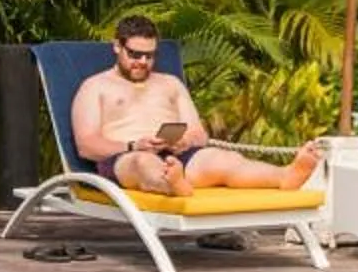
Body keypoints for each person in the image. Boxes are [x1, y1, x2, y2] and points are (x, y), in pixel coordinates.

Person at [71, 14, 322, 198]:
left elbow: (199, 133)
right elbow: (87, 145)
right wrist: (133, 145)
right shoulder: (94, 87)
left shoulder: (170, 84)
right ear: (117, 47)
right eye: (135, 54)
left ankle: (285, 176)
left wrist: (183, 142)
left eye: (150, 55)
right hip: (125, 158)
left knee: (223, 159)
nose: (143, 62)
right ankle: (171, 184)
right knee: (144, 163)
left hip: (177, 157)